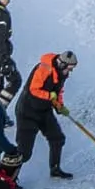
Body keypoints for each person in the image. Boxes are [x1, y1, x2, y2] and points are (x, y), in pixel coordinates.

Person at [13, 48, 78, 180]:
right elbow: (33, 90)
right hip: (27, 112)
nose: (70, 72)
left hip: (44, 111)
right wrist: (50, 95)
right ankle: (9, 178)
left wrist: (60, 106)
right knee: (24, 152)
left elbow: (58, 91)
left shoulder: (61, 74)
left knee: (57, 138)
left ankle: (55, 169)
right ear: (62, 64)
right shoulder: (44, 69)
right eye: (69, 69)